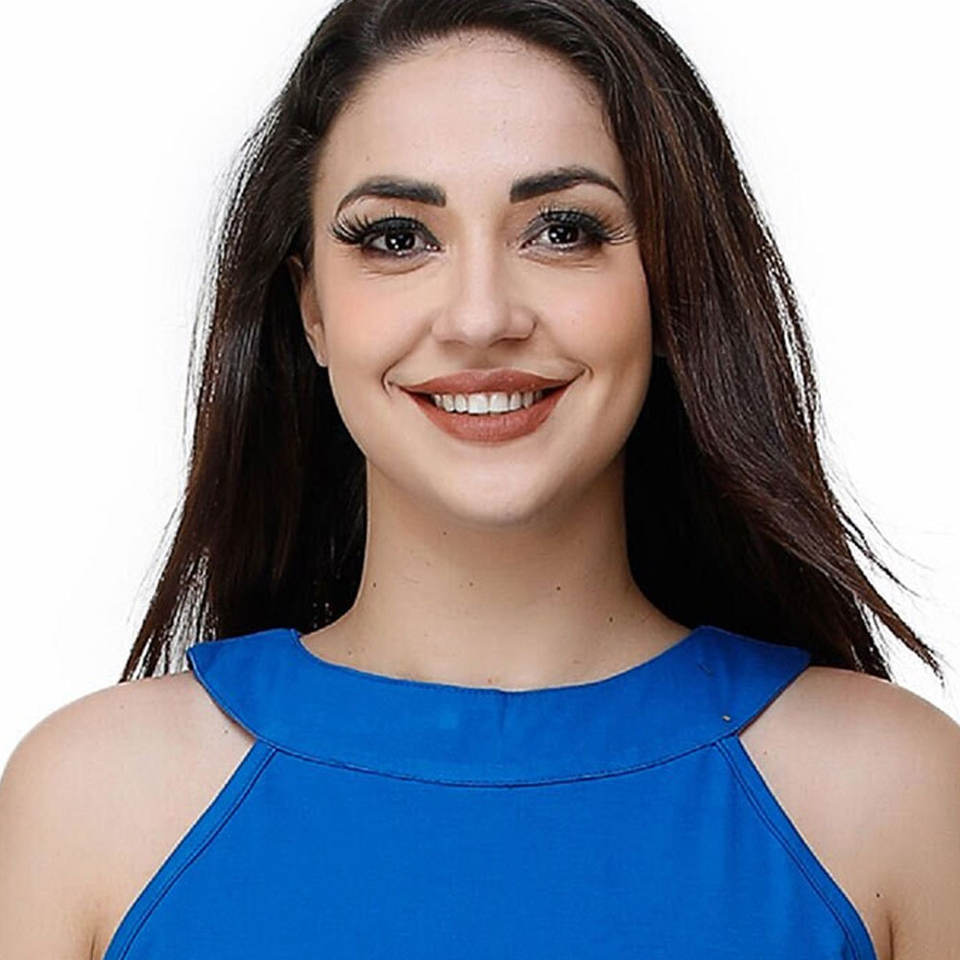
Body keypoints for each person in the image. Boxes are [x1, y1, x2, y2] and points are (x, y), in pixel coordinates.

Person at [1, 1, 958, 958]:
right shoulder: (90, 812)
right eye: (396, 238)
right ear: (311, 309)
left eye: (563, 230)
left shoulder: (894, 801)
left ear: (670, 285)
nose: (480, 318)